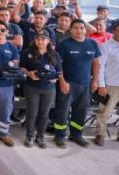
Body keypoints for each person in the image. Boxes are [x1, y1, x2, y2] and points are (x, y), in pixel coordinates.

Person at [54, 19, 101, 148]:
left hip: (85, 84)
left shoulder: (92, 44)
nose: (79, 30)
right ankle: (59, 135)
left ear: (85, 30)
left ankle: (76, 134)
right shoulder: (64, 44)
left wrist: (95, 80)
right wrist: (62, 82)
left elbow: (96, 63)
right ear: (71, 29)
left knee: (81, 111)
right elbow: (58, 65)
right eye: (76, 28)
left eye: (82, 28)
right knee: (62, 111)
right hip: (68, 84)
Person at [20, 30, 62, 148]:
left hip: (49, 88)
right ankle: (29, 136)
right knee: (32, 113)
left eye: (43, 39)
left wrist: (56, 79)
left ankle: (41, 136)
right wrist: (28, 73)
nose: (40, 42)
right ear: (34, 40)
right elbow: (21, 67)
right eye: (38, 39)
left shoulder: (54, 54)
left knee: (44, 113)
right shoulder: (27, 52)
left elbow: (59, 71)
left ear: (48, 41)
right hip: (32, 87)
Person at [95, 22, 119, 146]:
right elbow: (100, 67)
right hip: (110, 85)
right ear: (114, 31)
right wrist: (101, 85)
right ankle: (100, 134)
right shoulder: (105, 46)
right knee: (104, 111)